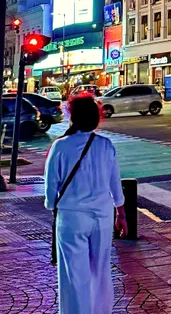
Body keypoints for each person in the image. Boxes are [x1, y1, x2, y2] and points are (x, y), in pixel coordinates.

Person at [45, 95, 127, 314]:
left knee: (74, 274)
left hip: (71, 217)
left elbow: (51, 188)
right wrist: (121, 214)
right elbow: (115, 184)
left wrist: (52, 204)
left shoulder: (60, 146)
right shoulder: (105, 145)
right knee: (100, 271)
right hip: (102, 216)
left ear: (73, 117)